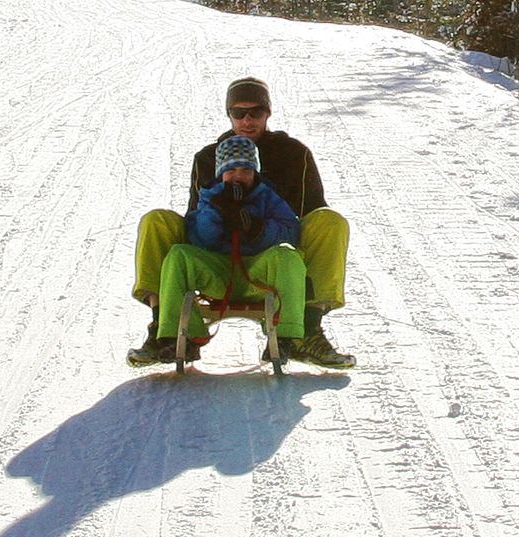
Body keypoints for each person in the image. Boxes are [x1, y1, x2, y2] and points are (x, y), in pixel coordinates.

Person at [131, 76, 353, 366]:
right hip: (217, 257)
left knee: (330, 222)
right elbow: (193, 221)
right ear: (229, 114)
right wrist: (216, 215)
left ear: (267, 113)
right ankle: (164, 330)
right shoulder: (207, 158)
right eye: (239, 112)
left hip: (275, 256)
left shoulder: (294, 154)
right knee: (156, 221)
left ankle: (306, 330)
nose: (248, 120)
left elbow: (311, 213)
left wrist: (263, 230)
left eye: (256, 112)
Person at [152, 135, 309, 361]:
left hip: (257, 273)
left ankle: (288, 338)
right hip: (219, 274)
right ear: (220, 173)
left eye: (246, 170)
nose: (238, 176)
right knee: (178, 255)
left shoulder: (267, 197)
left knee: (289, 257)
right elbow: (197, 238)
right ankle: (182, 337)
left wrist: (258, 229)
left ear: (255, 172)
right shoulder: (210, 196)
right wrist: (217, 214)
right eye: (231, 170)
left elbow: (291, 231)